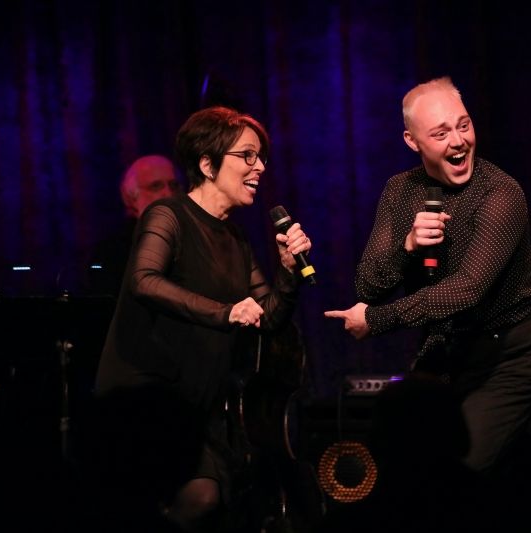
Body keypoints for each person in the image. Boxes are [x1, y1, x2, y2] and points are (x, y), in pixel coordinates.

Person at [324, 77, 531, 524]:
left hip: (507, 358)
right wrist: (406, 245)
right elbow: (369, 283)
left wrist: (377, 320)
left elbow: (466, 291)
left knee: (455, 476)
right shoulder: (400, 191)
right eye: (441, 133)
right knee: (400, 475)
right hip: (443, 359)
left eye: (463, 126)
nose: (459, 141)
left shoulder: (501, 193)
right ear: (412, 141)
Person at [92, 106, 313, 532]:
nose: (260, 167)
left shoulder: (236, 236)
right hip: (146, 395)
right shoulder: (167, 216)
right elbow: (143, 281)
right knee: (199, 495)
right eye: (247, 156)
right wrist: (225, 311)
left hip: (195, 404)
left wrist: (289, 272)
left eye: (262, 157)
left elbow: (267, 318)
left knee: (214, 501)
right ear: (208, 164)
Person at [88, 154, 181, 295]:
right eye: (156, 186)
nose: (168, 194)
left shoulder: (196, 236)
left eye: (173, 185)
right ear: (131, 197)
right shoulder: (113, 251)